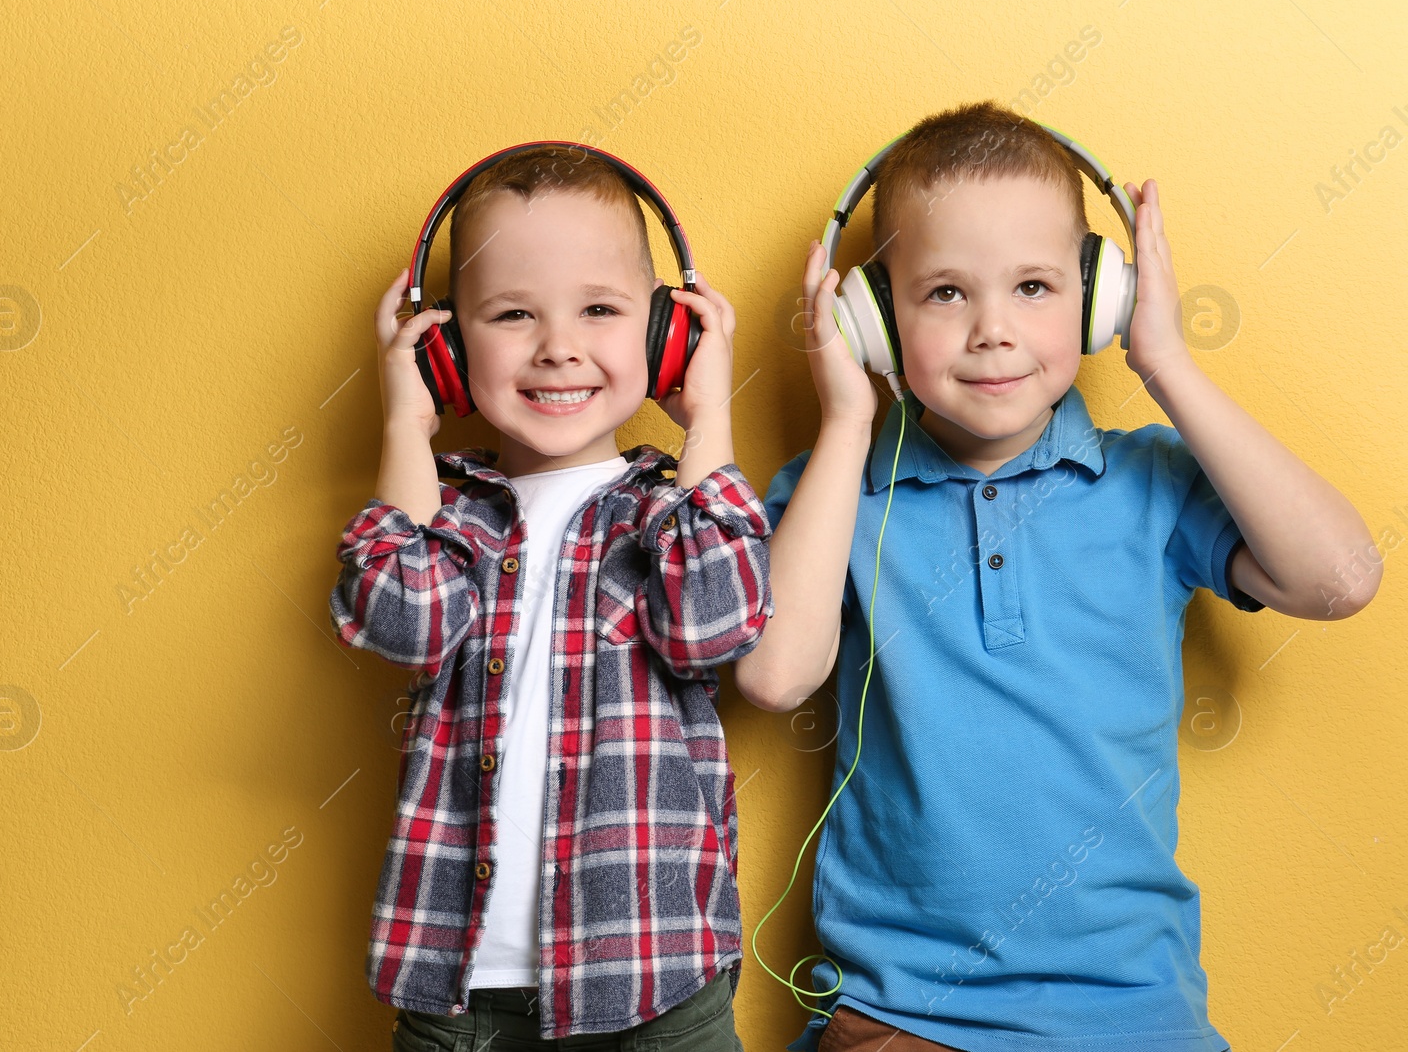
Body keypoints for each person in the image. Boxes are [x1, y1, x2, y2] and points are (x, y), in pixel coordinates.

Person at [736, 101, 1379, 1052]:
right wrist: (842, 422)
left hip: (1133, 1009)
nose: (993, 329)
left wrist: (1167, 361)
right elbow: (773, 675)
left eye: (1035, 286)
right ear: (870, 319)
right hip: (904, 1015)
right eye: (945, 293)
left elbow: (1341, 578)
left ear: (1100, 298)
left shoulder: (1150, 482)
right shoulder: (842, 493)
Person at [330, 144, 767, 1048]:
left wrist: (711, 423)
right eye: (512, 313)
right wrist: (407, 426)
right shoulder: (450, 522)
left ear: (665, 336)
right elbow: (405, 625)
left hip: (655, 980)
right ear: (446, 348)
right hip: (462, 1000)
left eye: (600, 311)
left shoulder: (665, 512)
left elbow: (714, 624)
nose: (558, 345)